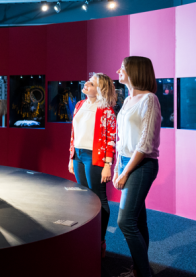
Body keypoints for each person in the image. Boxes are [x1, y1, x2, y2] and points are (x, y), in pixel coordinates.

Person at [114, 56, 160, 277]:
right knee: (138, 220)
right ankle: (138, 271)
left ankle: (145, 273)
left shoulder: (149, 99)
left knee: (125, 221)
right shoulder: (127, 100)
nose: (118, 70)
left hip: (141, 165)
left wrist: (125, 172)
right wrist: (116, 168)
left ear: (134, 72)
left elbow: (145, 143)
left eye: (122, 68)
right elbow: (121, 139)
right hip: (126, 162)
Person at [68, 73, 117, 258]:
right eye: (88, 81)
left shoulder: (107, 111)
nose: (86, 84)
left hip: (95, 157)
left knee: (98, 197)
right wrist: (71, 157)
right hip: (79, 155)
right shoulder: (80, 105)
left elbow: (111, 139)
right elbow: (74, 132)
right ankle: (86, 236)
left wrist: (107, 164)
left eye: (92, 83)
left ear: (100, 90)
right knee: (83, 197)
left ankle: (100, 240)